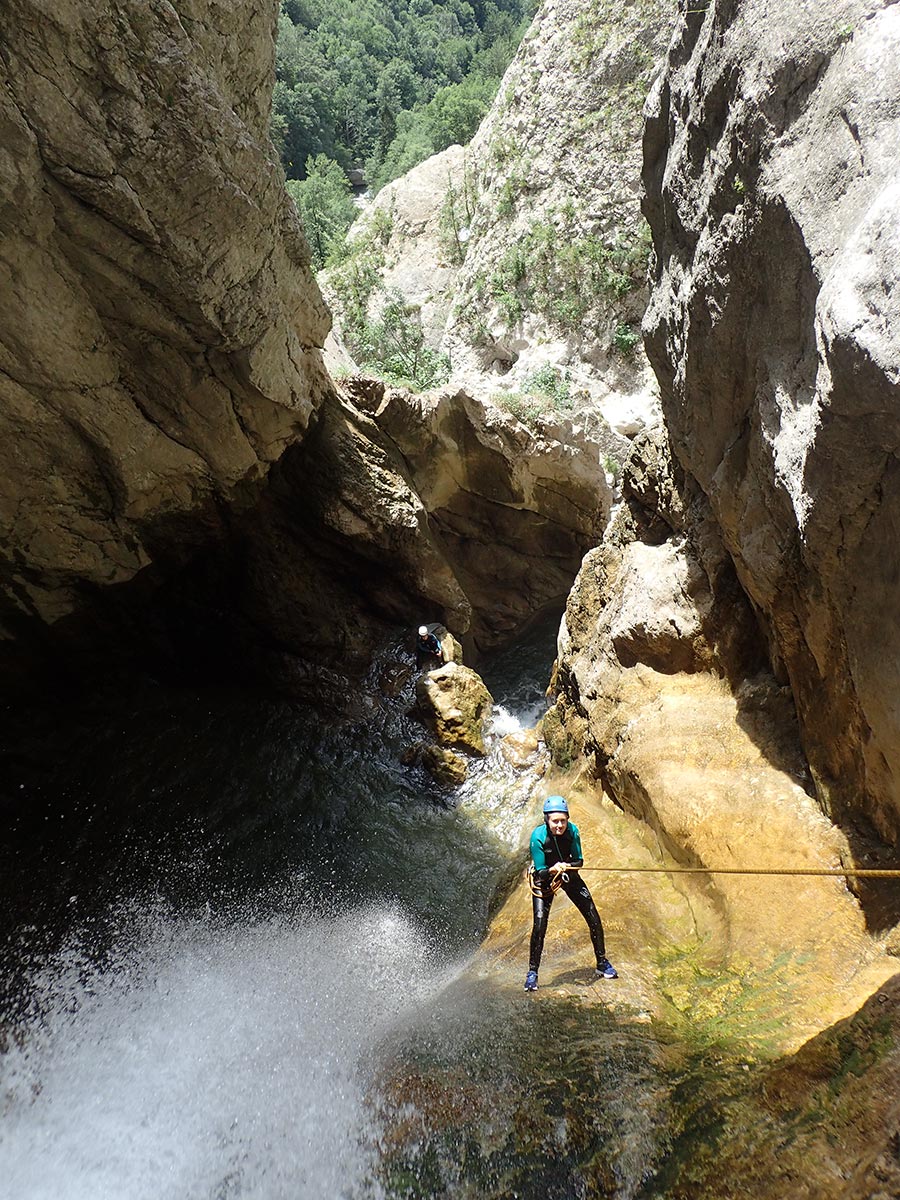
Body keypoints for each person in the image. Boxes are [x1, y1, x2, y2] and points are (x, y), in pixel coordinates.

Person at [524, 795, 617, 991]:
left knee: (593, 917)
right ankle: (533, 973)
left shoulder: (573, 831)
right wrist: (553, 869)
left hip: (567, 873)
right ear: (546, 820)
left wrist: (566, 866)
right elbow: (540, 871)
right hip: (544, 880)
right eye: (555, 821)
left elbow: (579, 861)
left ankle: (602, 963)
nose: (559, 825)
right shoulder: (538, 837)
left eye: (563, 821)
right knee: (540, 925)